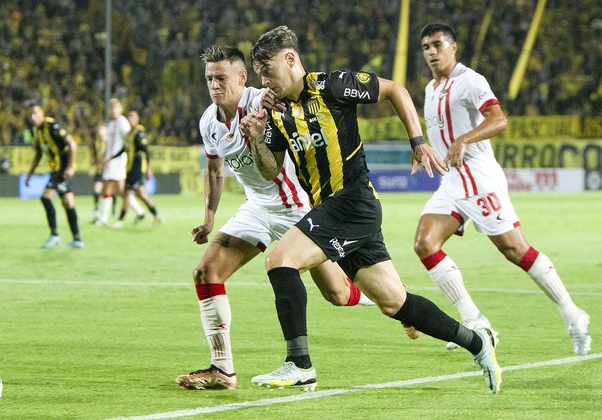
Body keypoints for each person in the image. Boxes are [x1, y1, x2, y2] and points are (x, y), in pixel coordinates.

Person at [239, 26, 502, 394]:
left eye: (268, 70)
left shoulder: (333, 85)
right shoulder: (276, 112)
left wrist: (418, 142)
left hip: (351, 201)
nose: (264, 80)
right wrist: (255, 140)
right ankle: (478, 343)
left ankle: (299, 364)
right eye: (260, 74)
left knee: (279, 261)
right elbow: (270, 170)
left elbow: (395, 90)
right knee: (396, 303)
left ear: (291, 59)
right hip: (336, 210)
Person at [175, 45, 375, 391]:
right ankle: (221, 370)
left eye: (221, 78)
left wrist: (271, 109)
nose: (214, 85)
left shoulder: (263, 100)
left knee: (338, 294)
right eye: (209, 79)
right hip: (257, 207)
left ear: (242, 78)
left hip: (297, 205)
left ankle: (389, 297)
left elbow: (289, 102)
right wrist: (209, 217)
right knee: (205, 271)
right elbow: (214, 169)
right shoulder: (209, 120)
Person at [414, 23, 591, 355]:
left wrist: (464, 139)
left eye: (438, 44)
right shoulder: (430, 89)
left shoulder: (471, 81)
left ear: (454, 47)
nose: (432, 52)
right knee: (425, 243)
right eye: (426, 47)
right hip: (452, 183)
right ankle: (476, 322)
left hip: (480, 181)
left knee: (515, 250)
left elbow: (499, 118)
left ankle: (573, 315)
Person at [25, 103, 84, 249]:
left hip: (62, 170)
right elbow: (38, 154)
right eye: (31, 114)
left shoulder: (52, 127)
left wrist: (70, 166)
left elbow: (72, 144)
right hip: (55, 170)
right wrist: (29, 174)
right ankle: (77, 239)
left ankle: (54, 235)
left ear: (42, 113)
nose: (33, 117)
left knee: (45, 197)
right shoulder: (37, 131)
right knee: (68, 203)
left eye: (36, 114)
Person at [113, 110, 161, 228]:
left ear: (137, 119)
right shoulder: (129, 134)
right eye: (129, 116)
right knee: (141, 194)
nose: (130, 118)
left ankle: (120, 220)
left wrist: (148, 167)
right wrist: (110, 158)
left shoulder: (139, 133)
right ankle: (157, 216)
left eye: (133, 116)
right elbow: (124, 149)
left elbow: (146, 150)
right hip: (129, 167)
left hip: (137, 167)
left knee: (127, 193)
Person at [94, 98, 130, 226]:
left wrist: (119, 156)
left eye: (116, 107)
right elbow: (109, 144)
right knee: (118, 190)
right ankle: (139, 211)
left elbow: (127, 142)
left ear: (121, 108)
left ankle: (103, 218)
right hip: (111, 161)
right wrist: (104, 156)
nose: (113, 110)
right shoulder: (111, 124)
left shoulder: (123, 123)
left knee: (110, 187)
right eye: (112, 107)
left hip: (118, 160)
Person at [89, 123, 108, 218]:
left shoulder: (109, 142)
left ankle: (113, 210)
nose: (101, 132)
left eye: (103, 130)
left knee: (110, 191)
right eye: (100, 130)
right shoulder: (96, 143)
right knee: (97, 189)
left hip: (109, 170)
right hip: (99, 171)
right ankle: (96, 208)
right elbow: (94, 157)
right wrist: (92, 167)